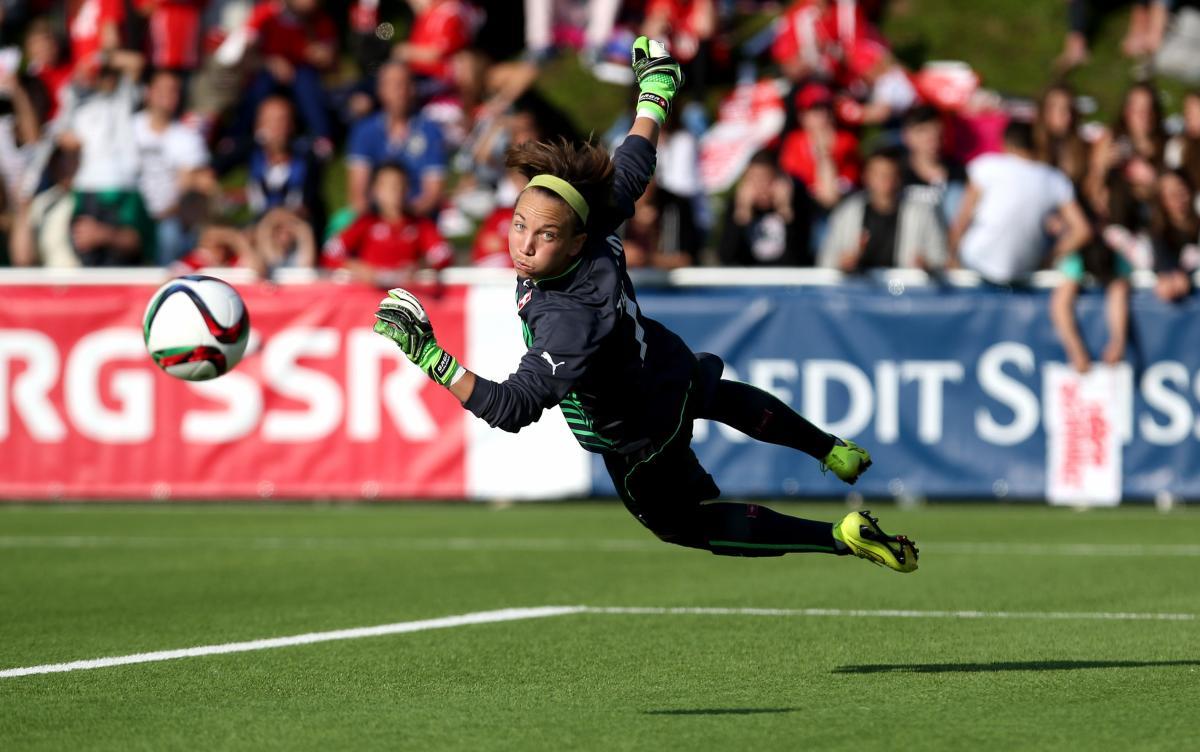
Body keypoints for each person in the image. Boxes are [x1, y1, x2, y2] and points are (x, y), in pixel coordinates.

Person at [370, 37, 919, 572]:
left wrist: (429, 358)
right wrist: (655, 91)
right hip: (664, 366)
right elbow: (634, 158)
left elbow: (512, 408)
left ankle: (840, 537)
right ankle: (831, 450)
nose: (525, 244)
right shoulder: (600, 215)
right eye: (519, 225)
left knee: (684, 525)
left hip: (637, 432)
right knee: (716, 396)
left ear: (575, 241)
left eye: (544, 235)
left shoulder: (566, 318)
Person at [950, 121, 1092, 285]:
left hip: (976, 260)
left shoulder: (986, 166)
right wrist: (1048, 259)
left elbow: (962, 219)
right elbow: (1082, 231)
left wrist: (951, 257)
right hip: (1027, 266)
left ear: (1005, 142)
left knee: (953, 195)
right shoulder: (1055, 179)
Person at [345, 61, 448, 217]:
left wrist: (401, 218)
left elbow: (432, 194)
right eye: (392, 84)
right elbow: (358, 194)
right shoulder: (364, 131)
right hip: (375, 217)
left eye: (404, 84)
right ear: (380, 90)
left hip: (417, 219)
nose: (399, 91)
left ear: (413, 89)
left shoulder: (431, 132)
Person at [322, 162, 453, 285]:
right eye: (388, 186)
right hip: (369, 301)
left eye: (399, 184)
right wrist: (358, 268)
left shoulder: (420, 225)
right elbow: (331, 253)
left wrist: (420, 266)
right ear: (376, 191)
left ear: (406, 189)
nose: (394, 191)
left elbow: (443, 254)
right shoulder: (366, 223)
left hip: (405, 300)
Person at [819, 149, 947, 272]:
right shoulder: (847, 213)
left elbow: (940, 257)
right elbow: (826, 260)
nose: (885, 180)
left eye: (890, 174)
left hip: (903, 289)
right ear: (866, 176)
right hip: (856, 289)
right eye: (878, 174)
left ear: (899, 177)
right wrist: (842, 264)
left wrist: (926, 265)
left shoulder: (922, 214)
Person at [718, 149, 813, 266]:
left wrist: (785, 210)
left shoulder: (797, 202)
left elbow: (798, 258)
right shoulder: (738, 204)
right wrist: (742, 213)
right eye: (753, 179)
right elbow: (727, 257)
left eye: (766, 179)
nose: (760, 187)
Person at [1149, 169, 1198, 302]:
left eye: (1180, 189)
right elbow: (1166, 280)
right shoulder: (1159, 234)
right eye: (1170, 193)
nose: (1177, 196)